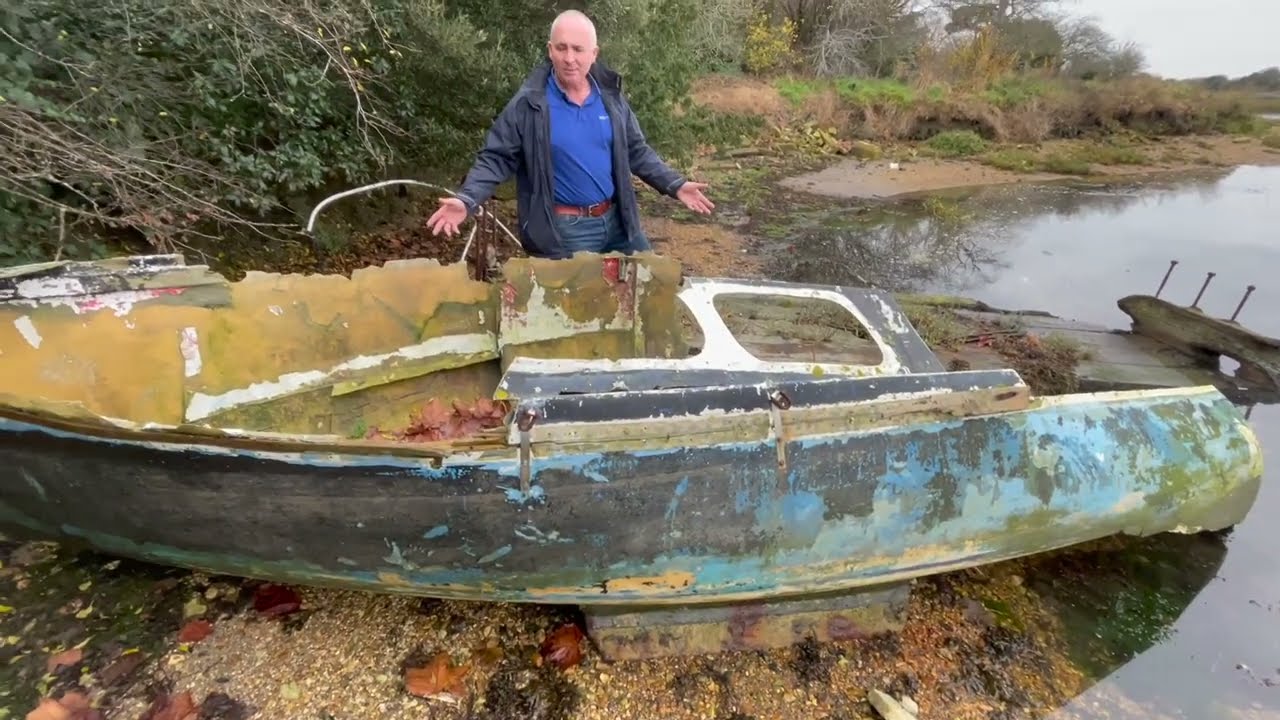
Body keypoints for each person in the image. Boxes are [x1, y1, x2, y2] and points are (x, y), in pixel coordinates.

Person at [425, 9, 714, 259]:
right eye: (561, 48)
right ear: (550, 50)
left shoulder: (610, 98)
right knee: (579, 313)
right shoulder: (530, 103)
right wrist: (467, 199)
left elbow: (636, 150)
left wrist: (674, 184)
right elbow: (496, 157)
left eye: (578, 49)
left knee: (646, 288)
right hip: (564, 230)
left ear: (594, 54)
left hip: (617, 222)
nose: (569, 58)